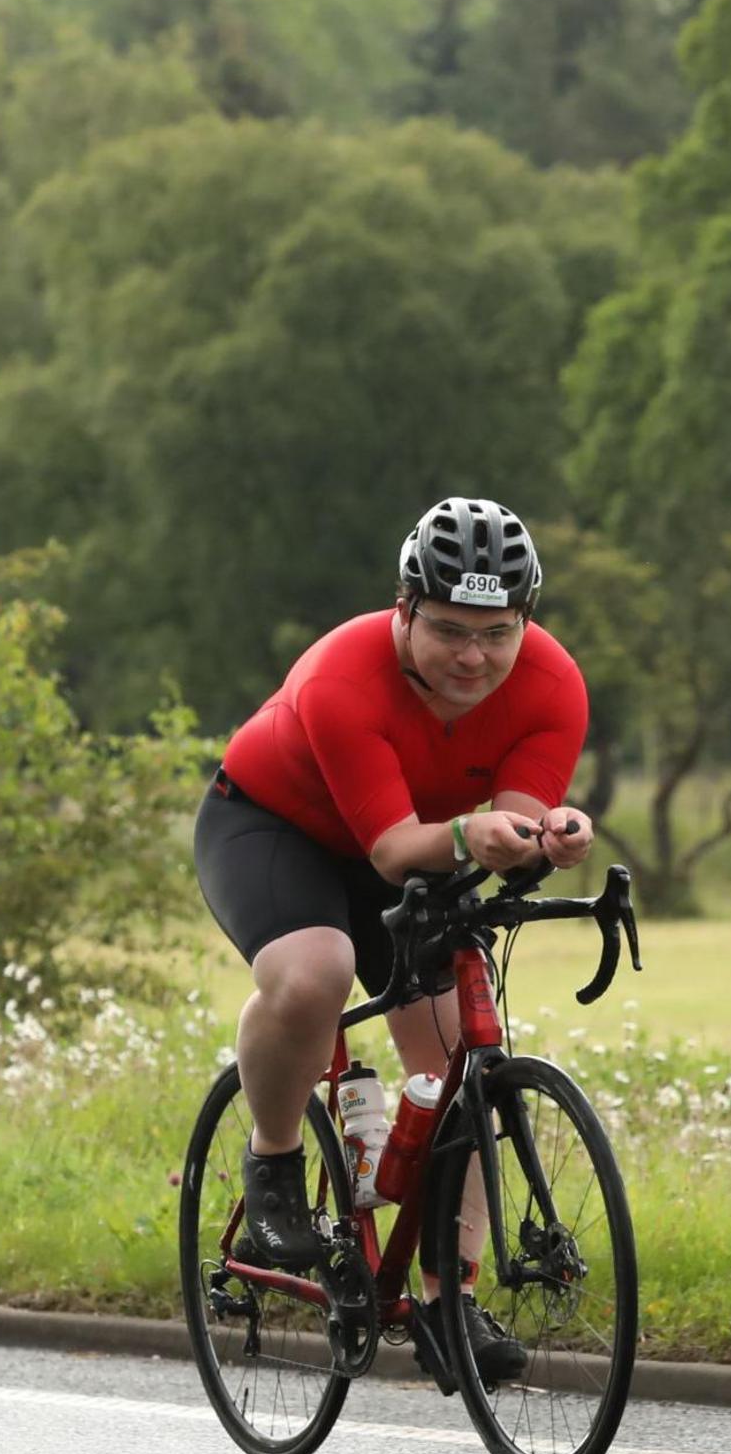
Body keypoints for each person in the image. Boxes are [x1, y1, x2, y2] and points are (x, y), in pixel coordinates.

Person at [196, 496, 594, 1393]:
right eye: (449, 628)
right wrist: (471, 837)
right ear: (404, 610)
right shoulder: (343, 673)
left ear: (524, 621)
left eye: (497, 634)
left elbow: (514, 826)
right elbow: (390, 851)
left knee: (464, 1066)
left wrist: (551, 837)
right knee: (318, 969)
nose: (472, 657)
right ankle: (273, 1159)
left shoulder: (554, 685)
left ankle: (449, 1298)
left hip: (422, 844)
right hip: (277, 831)